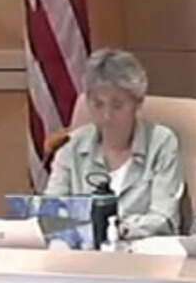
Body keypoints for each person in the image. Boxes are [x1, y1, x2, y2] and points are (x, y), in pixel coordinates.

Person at [45, 49, 185, 240]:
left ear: (138, 103)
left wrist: (117, 229)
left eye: (117, 106)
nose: (107, 116)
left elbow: (165, 219)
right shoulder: (71, 146)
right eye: (98, 104)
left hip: (143, 259)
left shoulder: (161, 143)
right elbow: (51, 211)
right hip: (82, 258)